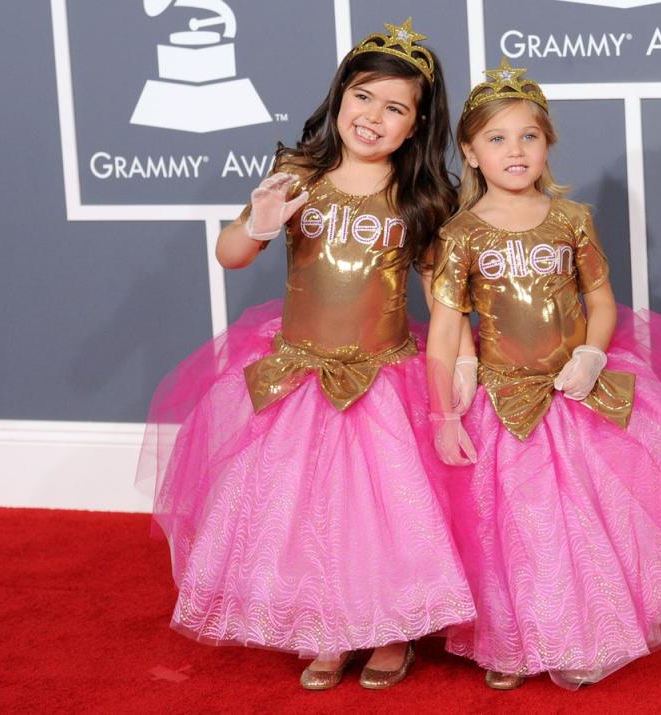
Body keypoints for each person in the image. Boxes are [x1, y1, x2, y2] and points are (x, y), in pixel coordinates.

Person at [137, 19, 476, 691]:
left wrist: (459, 364)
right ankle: (325, 627)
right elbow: (231, 253)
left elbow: (446, 297)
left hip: (382, 377)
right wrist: (257, 223)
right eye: (363, 96)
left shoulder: (422, 196)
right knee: (304, 515)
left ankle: (388, 631)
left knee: (382, 516)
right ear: (339, 97)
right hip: (298, 374)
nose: (373, 117)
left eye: (395, 107)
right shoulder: (298, 174)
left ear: (415, 125)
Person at [426, 59, 661, 690]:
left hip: (573, 392)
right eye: (497, 139)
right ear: (471, 154)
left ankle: (584, 631)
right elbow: (446, 328)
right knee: (514, 527)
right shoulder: (460, 234)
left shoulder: (572, 219)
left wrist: (591, 353)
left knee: (583, 521)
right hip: (501, 399)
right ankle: (514, 639)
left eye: (529, 135)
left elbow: (602, 298)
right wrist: (445, 410)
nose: (515, 150)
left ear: (547, 144)